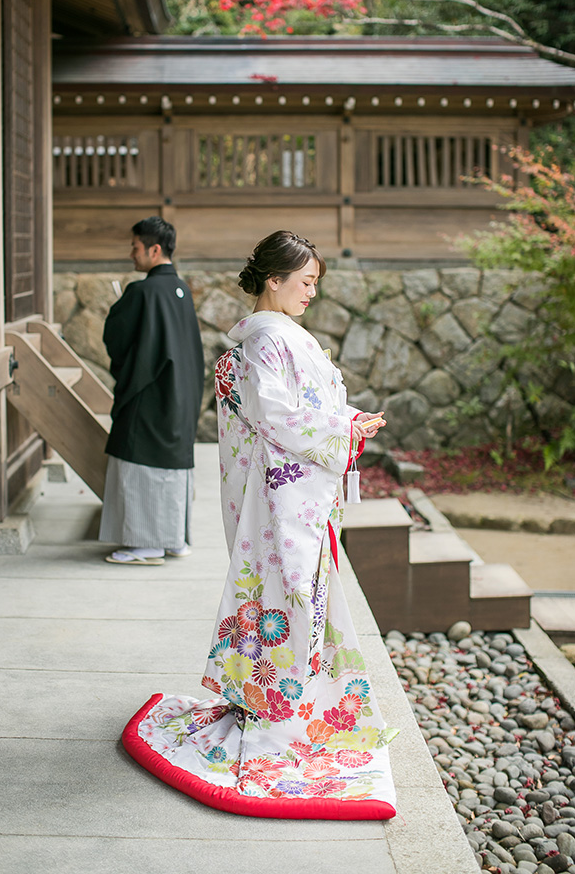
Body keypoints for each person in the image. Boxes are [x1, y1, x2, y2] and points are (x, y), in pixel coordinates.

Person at [121, 230, 398, 819]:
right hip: (282, 499)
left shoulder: (276, 338)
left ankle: (299, 707)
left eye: (316, 283)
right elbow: (277, 414)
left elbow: (302, 409)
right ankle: (276, 720)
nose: (311, 294)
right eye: (305, 282)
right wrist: (341, 429)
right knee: (289, 598)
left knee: (303, 598)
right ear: (274, 280)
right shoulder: (266, 341)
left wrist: (347, 419)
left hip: (293, 490)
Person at [99, 216, 204, 565]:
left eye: (135, 247)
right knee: (171, 466)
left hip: (151, 394)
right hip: (180, 392)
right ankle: (174, 539)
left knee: (140, 461)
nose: (132, 254)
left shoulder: (143, 292)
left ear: (153, 249)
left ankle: (146, 544)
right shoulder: (181, 290)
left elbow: (118, 337)